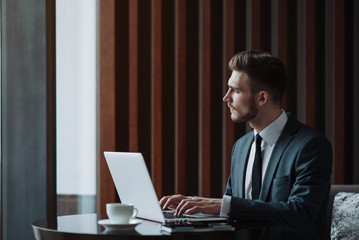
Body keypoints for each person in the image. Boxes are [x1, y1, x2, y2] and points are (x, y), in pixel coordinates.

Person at [160, 50, 333, 239]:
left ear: (261, 98)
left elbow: (301, 213)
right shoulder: (241, 147)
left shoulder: (310, 146)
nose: (226, 98)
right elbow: (232, 211)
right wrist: (193, 205)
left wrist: (223, 205)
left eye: (236, 90)